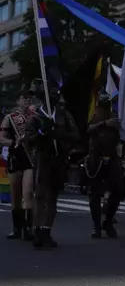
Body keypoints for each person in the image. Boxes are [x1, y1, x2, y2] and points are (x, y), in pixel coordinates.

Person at [27, 87, 80, 249]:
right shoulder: (36, 118)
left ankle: (46, 230)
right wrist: (42, 131)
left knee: (52, 197)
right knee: (40, 196)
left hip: (59, 160)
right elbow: (28, 141)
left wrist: (58, 133)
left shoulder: (64, 115)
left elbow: (76, 135)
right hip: (43, 159)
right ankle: (36, 230)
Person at [85, 93, 122, 238]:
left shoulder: (114, 115)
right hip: (96, 157)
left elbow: (119, 137)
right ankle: (96, 225)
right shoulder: (93, 114)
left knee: (118, 189)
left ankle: (107, 220)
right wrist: (103, 123)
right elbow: (87, 130)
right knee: (94, 193)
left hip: (112, 157)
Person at [0, 90, 35, 241]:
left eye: (28, 98)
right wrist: (14, 143)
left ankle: (28, 228)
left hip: (30, 159)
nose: (26, 100)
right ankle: (17, 228)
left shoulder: (35, 117)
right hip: (15, 157)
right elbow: (2, 138)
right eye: (23, 98)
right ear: (17, 101)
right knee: (15, 195)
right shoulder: (10, 118)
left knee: (28, 193)